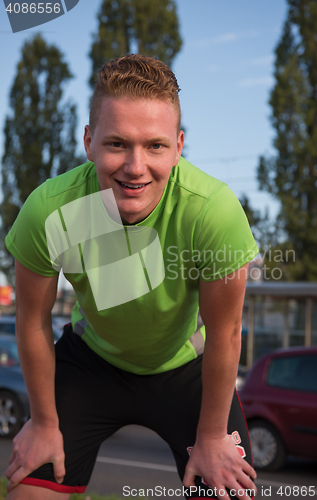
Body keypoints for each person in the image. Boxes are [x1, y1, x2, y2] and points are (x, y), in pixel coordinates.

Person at [5, 54, 259, 500]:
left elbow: (226, 333)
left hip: (187, 369)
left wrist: (214, 437)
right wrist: (44, 423)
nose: (135, 167)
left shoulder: (213, 212)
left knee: (229, 494)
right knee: (29, 493)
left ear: (179, 146)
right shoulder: (49, 211)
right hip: (91, 365)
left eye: (155, 146)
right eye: (117, 144)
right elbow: (31, 322)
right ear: (88, 141)